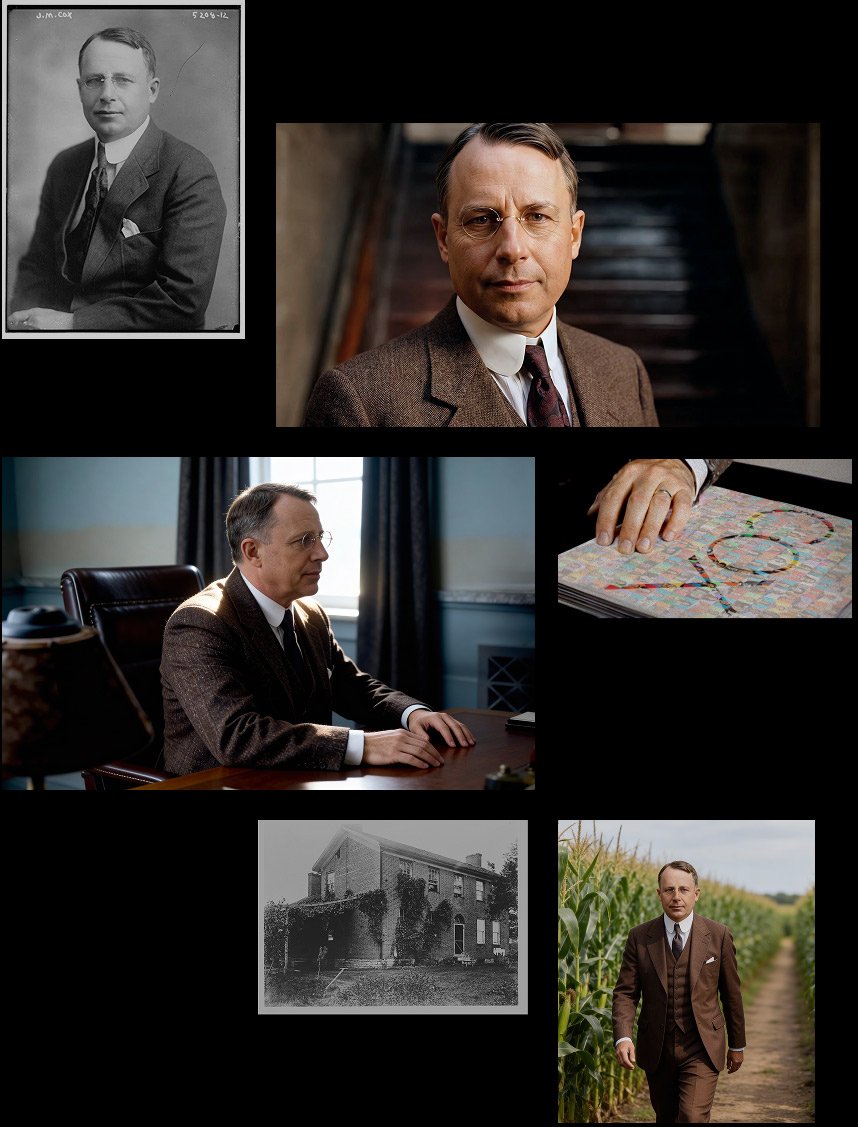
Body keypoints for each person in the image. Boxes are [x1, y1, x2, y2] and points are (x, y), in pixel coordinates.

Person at [303, 121, 657, 427]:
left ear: (574, 234)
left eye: (537, 217)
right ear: (443, 239)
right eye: (482, 219)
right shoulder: (359, 400)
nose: (512, 249)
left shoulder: (625, 371)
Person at [161, 483, 475, 775]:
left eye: (320, 537)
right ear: (252, 551)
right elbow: (237, 738)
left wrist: (412, 713)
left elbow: (350, 685)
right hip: (218, 782)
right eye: (304, 541)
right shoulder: (200, 623)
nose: (322, 554)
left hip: (296, 777)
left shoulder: (309, 612)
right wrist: (362, 744)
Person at [8, 26, 225, 332]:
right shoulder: (65, 165)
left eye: (123, 80)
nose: (107, 94)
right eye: (94, 80)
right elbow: (37, 267)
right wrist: (22, 322)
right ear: (79, 88)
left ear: (152, 90)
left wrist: (71, 324)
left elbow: (182, 303)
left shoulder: (188, 172)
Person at [613, 860, 746, 1124]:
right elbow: (626, 993)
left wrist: (737, 1044)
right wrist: (623, 1038)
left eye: (684, 890)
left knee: (692, 1116)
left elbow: (731, 994)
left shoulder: (718, 935)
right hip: (658, 1047)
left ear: (696, 894)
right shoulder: (639, 937)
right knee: (666, 1116)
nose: (676, 897)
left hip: (702, 1046)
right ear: (658, 894)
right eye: (669, 889)